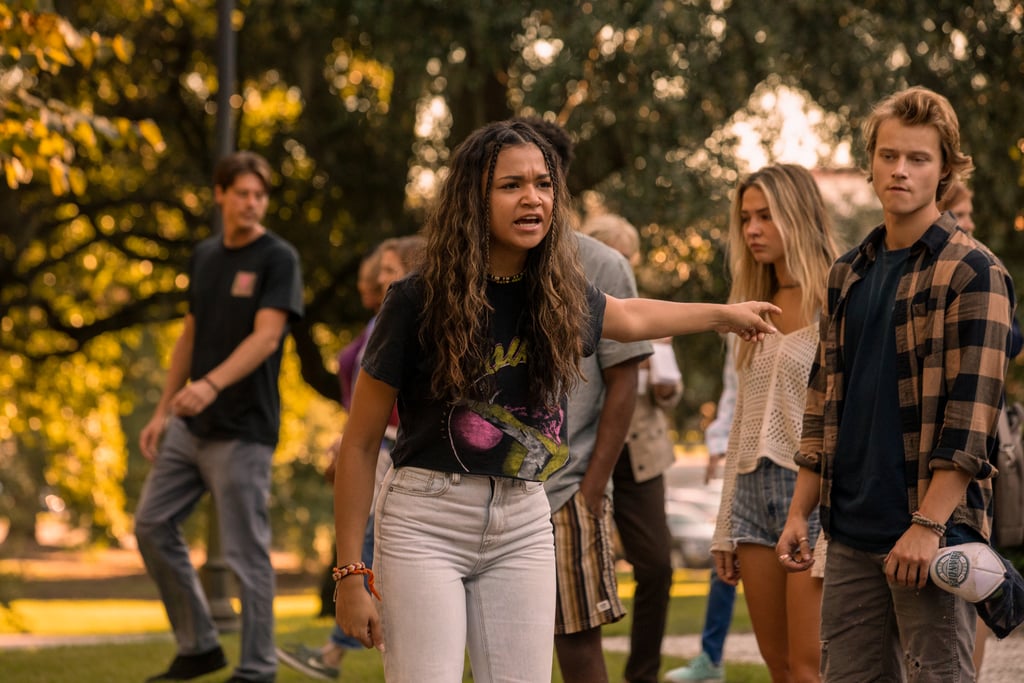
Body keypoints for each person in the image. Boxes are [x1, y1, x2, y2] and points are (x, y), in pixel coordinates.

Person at [329, 119, 780, 682]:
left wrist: (724, 316)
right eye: (511, 185)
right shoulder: (416, 299)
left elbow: (631, 315)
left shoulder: (557, 290)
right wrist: (350, 570)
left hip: (522, 517)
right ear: (474, 197)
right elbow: (361, 440)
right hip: (427, 519)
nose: (533, 198)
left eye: (543, 184)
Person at [777, 86, 1015, 681]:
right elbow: (822, 397)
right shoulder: (847, 271)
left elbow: (971, 420)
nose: (900, 171)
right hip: (850, 531)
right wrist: (799, 511)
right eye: (888, 156)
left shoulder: (974, 272)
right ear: (872, 162)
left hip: (929, 538)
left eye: (918, 159)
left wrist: (927, 526)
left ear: (945, 171)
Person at [134, 150, 304, 683]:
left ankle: (256, 669)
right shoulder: (205, 257)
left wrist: (209, 385)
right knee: (151, 524)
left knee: (243, 553)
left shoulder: (279, 258)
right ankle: (199, 645)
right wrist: (164, 410)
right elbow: (188, 335)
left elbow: (268, 336)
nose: (253, 203)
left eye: (261, 195)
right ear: (220, 195)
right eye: (243, 193)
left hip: (244, 431)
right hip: (190, 427)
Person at [692, 164, 841, 683]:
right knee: (778, 668)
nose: (752, 229)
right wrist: (724, 527)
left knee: (809, 669)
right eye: (746, 218)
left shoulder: (837, 301)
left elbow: (843, 418)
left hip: (815, 497)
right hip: (752, 497)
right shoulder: (749, 313)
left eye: (766, 216)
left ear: (797, 215)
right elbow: (741, 425)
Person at [278, 236, 424, 681]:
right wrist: (348, 442)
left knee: (369, 545)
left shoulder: (407, 321)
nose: (381, 276)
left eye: (391, 268)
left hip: (394, 446)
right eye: (379, 269)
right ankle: (337, 651)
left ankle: (333, 654)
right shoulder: (376, 322)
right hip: (370, 446)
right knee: (365, 542)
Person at [583, 213, 681, 683]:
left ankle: (642, 673)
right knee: (578, 571)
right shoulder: (576, 306)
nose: (623, 265)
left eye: (629, 257)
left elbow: (671, 392)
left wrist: (656, 375)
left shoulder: (647, 315)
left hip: (641, 454)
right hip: (583, 452)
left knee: (658, 566)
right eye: (616, 255)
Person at [938, 181, 1024, 679]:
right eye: (962, 213)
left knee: (974, 578)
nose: (968, 223)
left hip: (977, 451)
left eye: (969, 214)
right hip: (951, 450)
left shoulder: (983, 269)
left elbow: (1011, 340)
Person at [664, 347, 738, 683]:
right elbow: (734, 392)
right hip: (746, 462)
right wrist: (718, 443)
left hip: (795, 463)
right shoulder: (741, 331)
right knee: (722, 561)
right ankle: (711, 658)